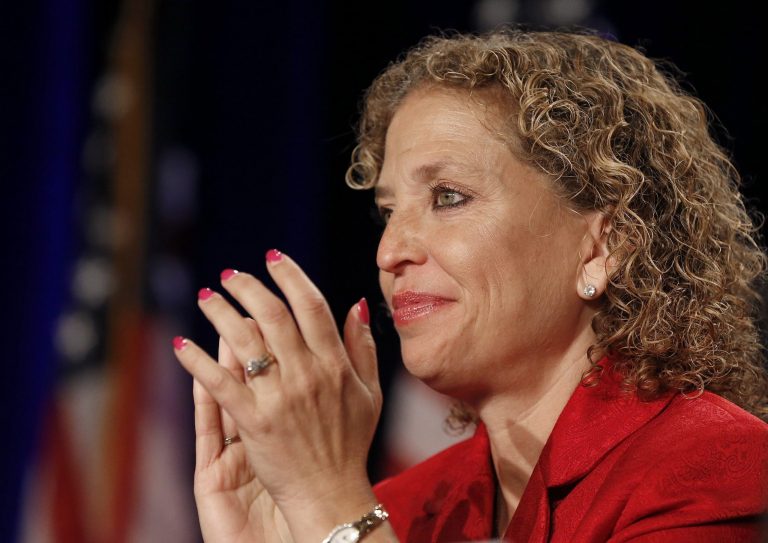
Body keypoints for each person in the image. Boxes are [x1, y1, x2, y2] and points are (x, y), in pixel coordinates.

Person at [172, 28, 768, 542]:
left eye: (448, 198)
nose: (389, 252)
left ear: (603, 246)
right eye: (388, 212)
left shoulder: (715, 467)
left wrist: (327, 504)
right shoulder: (404, 510)